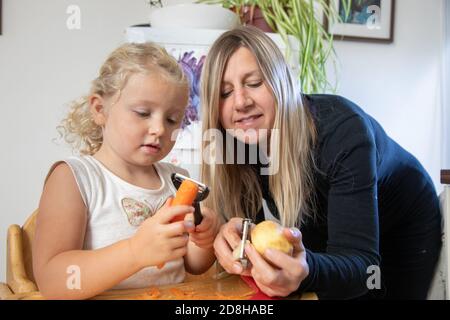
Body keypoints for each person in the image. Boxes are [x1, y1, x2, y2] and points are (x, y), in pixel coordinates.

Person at [201, 26, 442, 300]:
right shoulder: (240, 142)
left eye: (254, 83)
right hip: (332, 218)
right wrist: (237, 238)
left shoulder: (344, 134)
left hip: (402, 225)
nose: (240, 102)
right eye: (224, 93)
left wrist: (308, 270)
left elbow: (363, 268)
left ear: (282, 83)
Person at [33, 43, 220, 299]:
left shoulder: (176, 179)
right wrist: (135, 252)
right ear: (100, 110)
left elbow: (192, 265)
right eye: (143, 113)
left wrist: (203, 241)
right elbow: (52, 281)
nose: (159, 129)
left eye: (172, 119)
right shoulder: (74, 178)